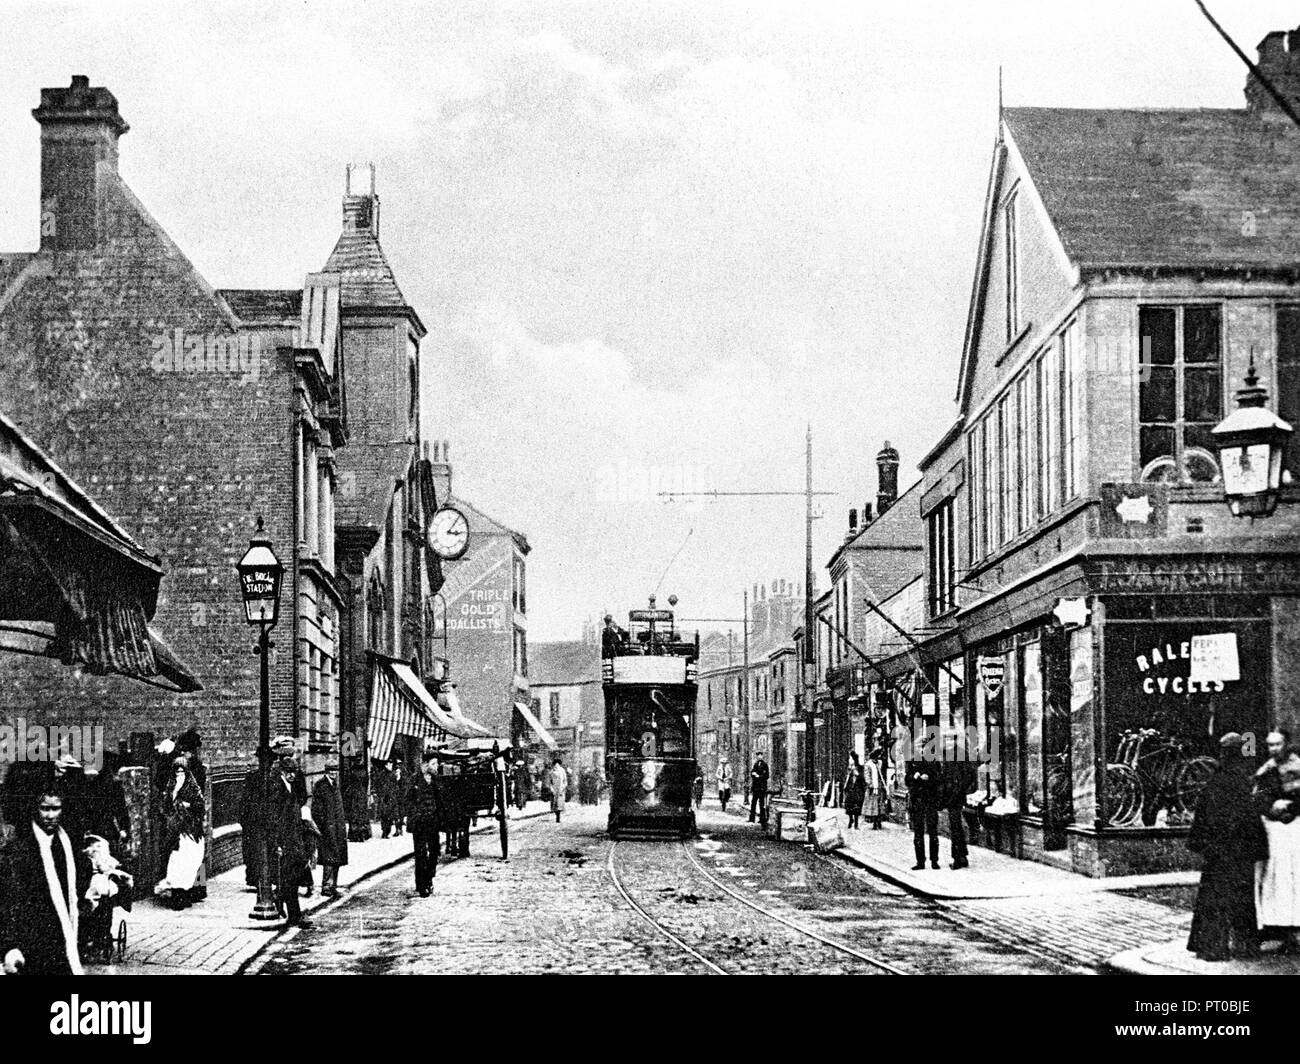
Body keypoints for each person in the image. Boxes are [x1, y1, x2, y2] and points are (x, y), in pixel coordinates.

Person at [1186, 732, 1269, 961]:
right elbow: (1250, 818)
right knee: (1242, 898)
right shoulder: (1242, 781)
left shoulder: (1215, 781)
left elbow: (1203, 818)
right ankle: (1246, 947)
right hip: (1240, 852)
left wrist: (1203, 845)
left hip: (1218, 853)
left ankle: (1212, 947)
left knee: (1214, 898)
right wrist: (1257, 848)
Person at [0, 789, 90, 975]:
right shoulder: (20, 849)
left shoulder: (67, 845)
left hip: (63, 936)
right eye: (44, 809)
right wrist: (9, 946)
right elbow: (7, 900)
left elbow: (80, 883)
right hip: (30, 938)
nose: (50, 815)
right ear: (36, 809)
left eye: (55, 809)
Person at [1253, 729, 1300, 952]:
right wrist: (1272, 808)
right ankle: (1278, 927)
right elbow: (1259, 798)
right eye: (1270, 745)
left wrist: (1290, 807)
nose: (1274, 749)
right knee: (1276, 877)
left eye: (1278, 744)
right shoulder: (1266, 770)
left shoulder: (1298, 767)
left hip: (1297, 829)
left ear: (1287, 744)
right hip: (1276, 831)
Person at [154, 756, 206, 908]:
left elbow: (200, 806)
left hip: (189, 831)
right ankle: (177, 896)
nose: (179, 775)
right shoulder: (170, 787)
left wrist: (187, 805)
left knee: (189, 863)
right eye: (177, 773)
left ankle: (186, 894)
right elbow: (164, 807)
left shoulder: (193, 787)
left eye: (182, 772)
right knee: (176, 863)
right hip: (175, 831)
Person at [268, 747, 311, 926]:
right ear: (282, 772)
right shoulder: (278, 789)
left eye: (293, 772)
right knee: (289, 879)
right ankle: (295, 915)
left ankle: (282, 903)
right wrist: (277, 844)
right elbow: (273, 819)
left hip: (293, 839)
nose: (292, 775)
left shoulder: (290, 787)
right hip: (285, 842)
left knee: (290, 878)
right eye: (288, 772)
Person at [407, 751, 445, 897]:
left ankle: (428, 878)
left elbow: (441, 800)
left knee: (434, 852)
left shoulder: (437, 780)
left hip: (433, 822)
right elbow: (407, 799)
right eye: (433, 764)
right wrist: (413, 814)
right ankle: (422, 884)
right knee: (421, 853)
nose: (436, 767)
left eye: (437, 764)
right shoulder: (414, 779)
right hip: (419, 823)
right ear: (426, 764)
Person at [312, 759, 348, 900]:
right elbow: (316, 810)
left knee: (337, 858)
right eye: (330, 770)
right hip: (328, 829)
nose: (333, 773)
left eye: (335, 770)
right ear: (326, 771)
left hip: (338, 828)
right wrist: (324, 826)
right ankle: (326, 887)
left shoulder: (335, 785)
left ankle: (333, 886)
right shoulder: (321, 786)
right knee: (329, 858)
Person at [940, 749, 978, 870]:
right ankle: (962, 856)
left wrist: (959, 790)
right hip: (951, 796)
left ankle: (957, 858)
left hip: (956, 797)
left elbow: (970, 775)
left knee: (955, 826)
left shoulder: (960, 754)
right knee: (956, 827)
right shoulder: (946, 753)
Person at [905, 756, 941, 870]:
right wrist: (913, 777)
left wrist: (929, 778)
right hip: (917, 802)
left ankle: (934, 861)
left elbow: (939, 779)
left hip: (930, 801)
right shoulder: (912, 761)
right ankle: (920, 861)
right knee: (918, 832)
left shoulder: (934, 762)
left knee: (933, 832)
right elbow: (907, 779)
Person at [238, 764, 265, 888]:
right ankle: (254, 880)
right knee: (252, 854)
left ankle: (257, 881)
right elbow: (243, 803)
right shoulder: (253, 777)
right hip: (252, 824)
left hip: (256, 823)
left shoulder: (265, 777)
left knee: (255, 853)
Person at [344, 759, 372, 842]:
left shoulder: (351, 770)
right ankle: (362, 834)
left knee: (354, 815)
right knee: (361, 815)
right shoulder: (364, 770)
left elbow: (347, 782)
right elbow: (366, 783)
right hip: (361, 795)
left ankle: (355, 834)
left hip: (354, 795)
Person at [863, 747, 886, 830]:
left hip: (879, 787)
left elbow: (881, 775)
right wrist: (870, 784)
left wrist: (883, 785)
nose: (878, 758)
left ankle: (879, 821)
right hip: (872, 789)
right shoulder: (868, 764)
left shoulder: (879, 763)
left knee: (880, 806)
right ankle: (874, 823)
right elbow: (867, 776)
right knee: (873, 806)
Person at [843, 753, 866, 831]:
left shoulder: (860, 768)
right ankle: (850, 820)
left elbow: (863, 778)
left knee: (856, 807)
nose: (850, 760)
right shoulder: (849, 768)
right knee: (849, 806)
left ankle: (856, 823)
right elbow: (847, 779)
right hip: (850, 789)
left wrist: (857, 774)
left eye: (851, 759)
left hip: (857, 790)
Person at [749, 754, 770, 826]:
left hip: (762, 787)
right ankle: (751, 818)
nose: (759, 756)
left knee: (761, 803)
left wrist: (759, 776)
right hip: (755, 787)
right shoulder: (755, 764)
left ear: (762, 756)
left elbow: (767, 776)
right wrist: (753, 774)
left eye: (760, 755)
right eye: (758, 755)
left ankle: (762, 819)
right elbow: (752, 772)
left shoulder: (765, 765)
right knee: (753, 802)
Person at [548, 758, 568, 824]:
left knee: (559, 804)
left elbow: (565, 781)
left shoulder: (562, 771)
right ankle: (557, 815)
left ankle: (558, 817)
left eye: (557, 764)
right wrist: (551, 789)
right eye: (555, 764)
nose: (556, 766)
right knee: (554, 804)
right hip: (554, 789)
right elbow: (550, 782)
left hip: (560, 789)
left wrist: (563, 787)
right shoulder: (551, 772)